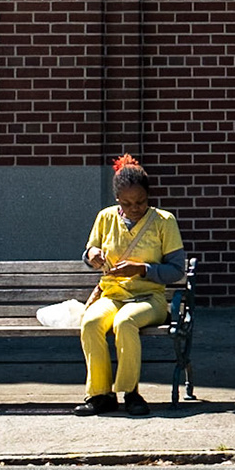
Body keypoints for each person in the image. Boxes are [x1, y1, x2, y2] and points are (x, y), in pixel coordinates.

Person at [75, 154, 186, 417]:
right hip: (112, 295)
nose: (134, 208)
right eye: (127, 203)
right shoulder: (105, 218)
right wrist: (91, 256)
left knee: (125, 322)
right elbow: (90, 251)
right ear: (117, 201)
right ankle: (100, 394)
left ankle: (131, 393)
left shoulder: (164, 221)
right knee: (91, 323)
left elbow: (177, 270)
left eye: (140, 202)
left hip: (150, 298)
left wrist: (143, 270)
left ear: (149, 196)